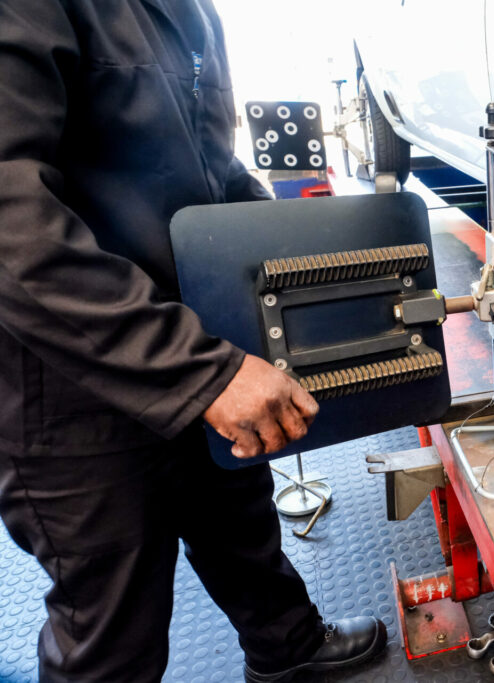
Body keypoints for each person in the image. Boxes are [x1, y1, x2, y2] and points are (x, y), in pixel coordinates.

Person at [0, 1, 387, 681]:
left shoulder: (191, 10)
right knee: (111, 618)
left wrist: (305, 254)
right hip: (70, 373)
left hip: (192, 331)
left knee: (236, 515)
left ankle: (287, 646)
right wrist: (200, 374)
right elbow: (11, 224)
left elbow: (209, 170)